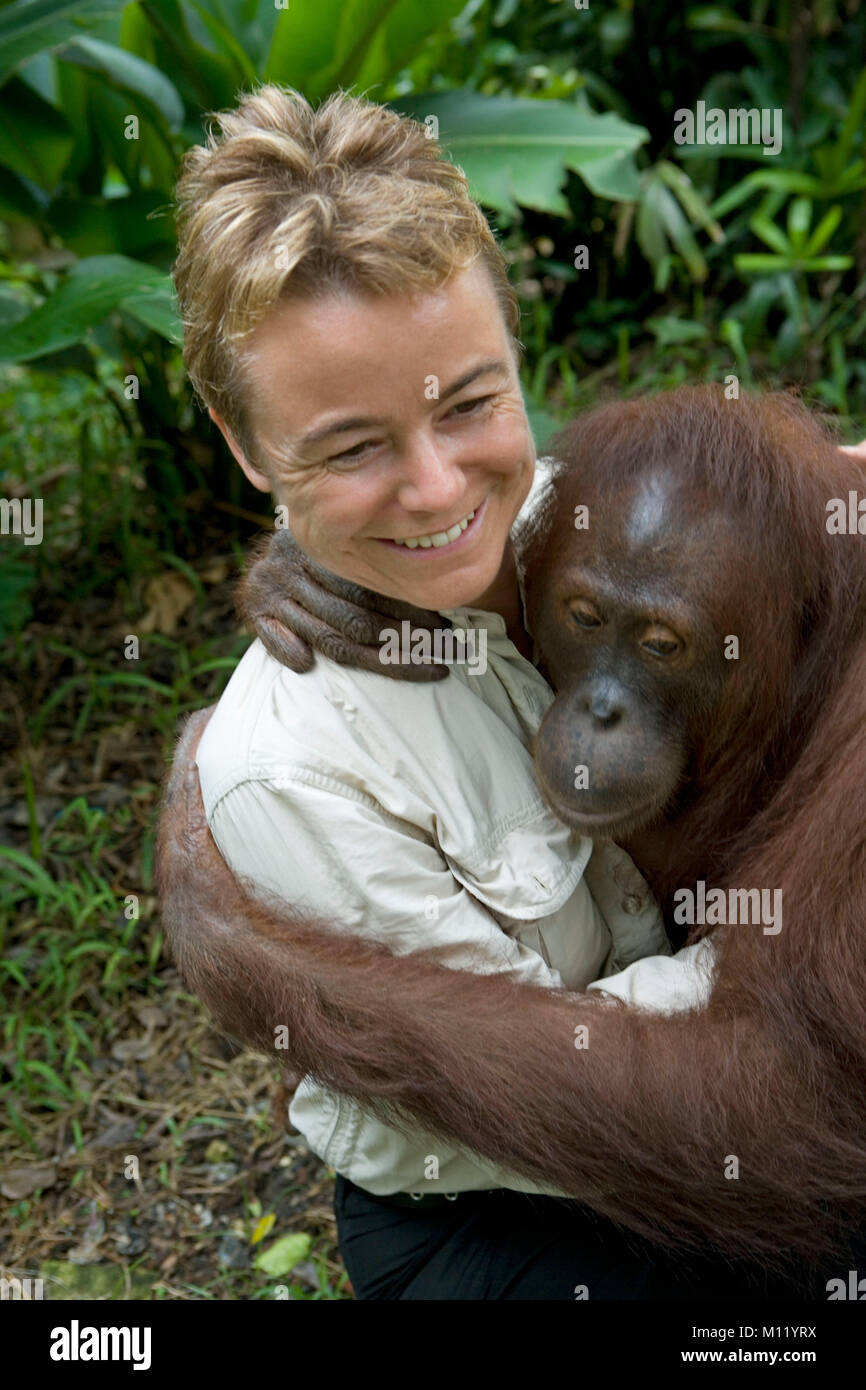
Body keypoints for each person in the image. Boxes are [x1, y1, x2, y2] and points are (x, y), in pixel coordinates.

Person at [160, 84, 858, 1300]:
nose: (436, 494)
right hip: (508, 1196)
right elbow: (677, 1111)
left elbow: (796, 1112)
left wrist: (269, 964)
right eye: (348, 446)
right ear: (244, 441)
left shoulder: (604, 530)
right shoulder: (296, 754)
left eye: (470, 403)